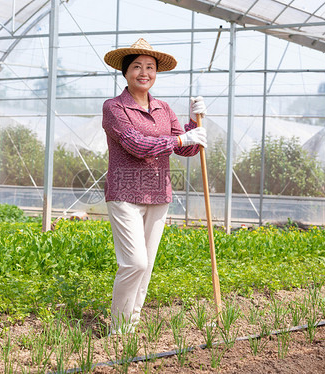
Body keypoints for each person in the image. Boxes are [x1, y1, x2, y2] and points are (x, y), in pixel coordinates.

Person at [102, 38, 208, 334]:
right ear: (125, 73)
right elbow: (136, 145)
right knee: (134, 262)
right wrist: (179, 139)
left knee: (146, 267)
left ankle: (129, 327)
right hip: (124, 194)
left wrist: (193, 125)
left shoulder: (164, 108)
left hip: (158, 193)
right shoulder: (114, 107)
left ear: (156, 73)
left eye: (150, 67)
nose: (144, 73)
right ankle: (118, 329)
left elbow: (185, 150)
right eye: (137, 67)